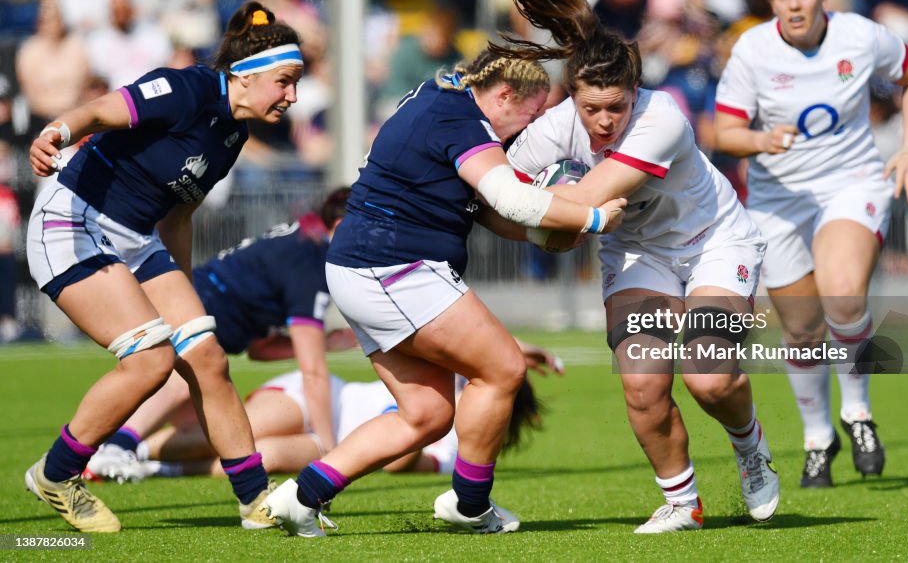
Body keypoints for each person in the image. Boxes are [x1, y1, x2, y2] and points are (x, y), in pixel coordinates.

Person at [262, 48, 627, 537]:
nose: (531, 126)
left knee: (426, 415)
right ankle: (471, 505)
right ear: (503, 95)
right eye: (532, 113)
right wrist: (595, 217)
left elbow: (493, 213)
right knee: (503, 369)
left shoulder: (444, 99)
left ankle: (302, 495)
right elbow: (512, 200)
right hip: (391, 265)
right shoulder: (458, 117)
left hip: (368, 267)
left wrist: (550, 230)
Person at [490, 0, 780, 534]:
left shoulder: (662, 118)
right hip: (639, 253)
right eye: (591, 107)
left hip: (714, 243)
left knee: (708, 377)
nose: (603, 121)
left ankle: (750, 448)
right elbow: (498, 194)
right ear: (573, 95)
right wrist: (535, 224)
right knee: (644, 386)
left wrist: (545, 217)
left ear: (635, 94)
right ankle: (683, 503)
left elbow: (587, 199)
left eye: (615, 107)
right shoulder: (555, 129)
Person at [23, 1, 305, 533]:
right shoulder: (188, 90)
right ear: (245, 77)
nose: (293, 96)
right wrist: (56, 132)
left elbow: (180, 215)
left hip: (137, 238)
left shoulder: (232, 136)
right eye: (285, 82)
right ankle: (56, 474)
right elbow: (101, 110)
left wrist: (181, 288)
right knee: (151, 362)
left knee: (207, 357)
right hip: (72, 220)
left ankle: (254, 501)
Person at [713, 0, 908, 487]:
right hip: (778, 197)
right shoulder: (753, 50)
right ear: (772, 2)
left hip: (850, 183)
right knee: (803, 329)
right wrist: (761, 139)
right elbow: (724, 131)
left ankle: (857, 414)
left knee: (842, 294)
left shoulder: (861, 37)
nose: (794, 4)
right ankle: (818, 438)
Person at [83, 188, 353, 483]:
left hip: (197, 298)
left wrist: (325, 343)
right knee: (183, 378)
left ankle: (131, 453)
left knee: (203, 424)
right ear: (340, 227)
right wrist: (329, 452)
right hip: (197, 302)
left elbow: (259, 349)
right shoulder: (311, 261)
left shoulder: (305, 241)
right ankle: (112, 448)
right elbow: (312, 373)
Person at [110, 340, 559, 479]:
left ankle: (149, 469)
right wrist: (517, 349)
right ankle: (123, 451)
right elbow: (459, 338)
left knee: (259, 458)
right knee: (233, 436)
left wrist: (418, 438)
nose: (464, 390)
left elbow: (399, 465)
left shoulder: (464, 450)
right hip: (320, 400)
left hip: (327, 445)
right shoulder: (453, 386)